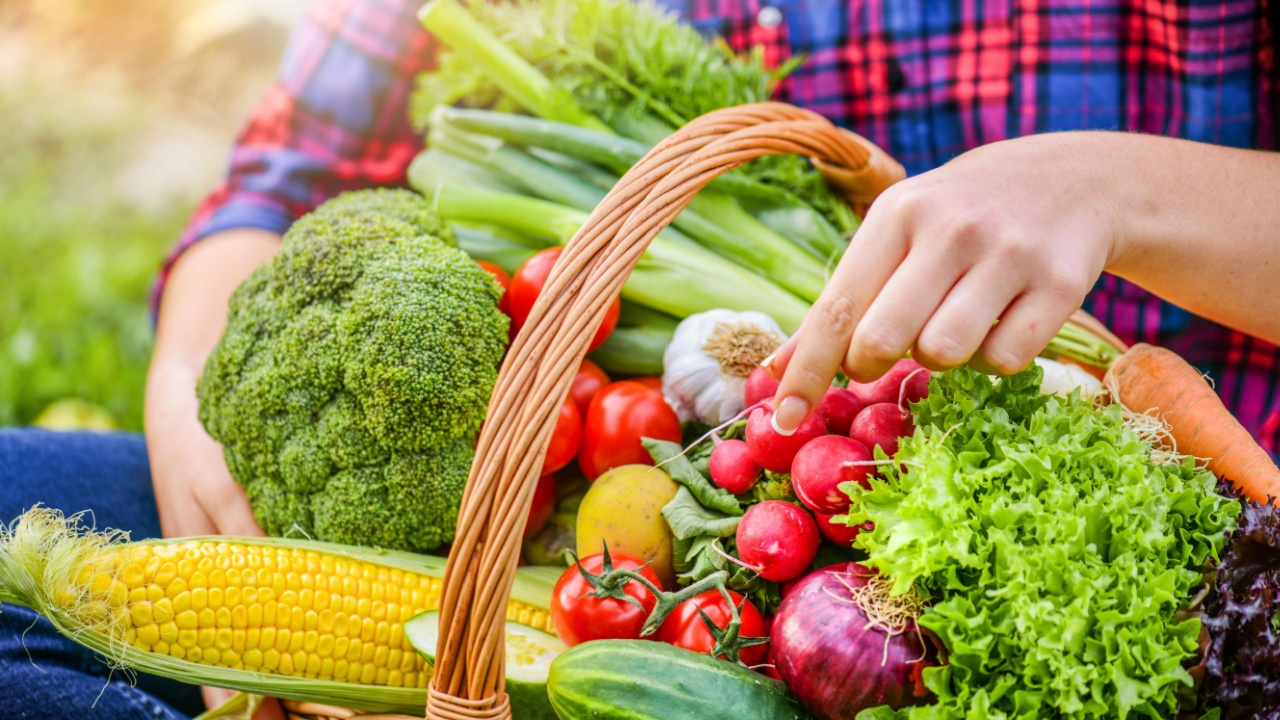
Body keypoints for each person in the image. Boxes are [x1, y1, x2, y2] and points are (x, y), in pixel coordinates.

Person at [2, 0, 1276, 717]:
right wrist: (188, 385)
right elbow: (280, 181)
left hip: (1190, 554)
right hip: (547, 545)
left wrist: (1118, 186)